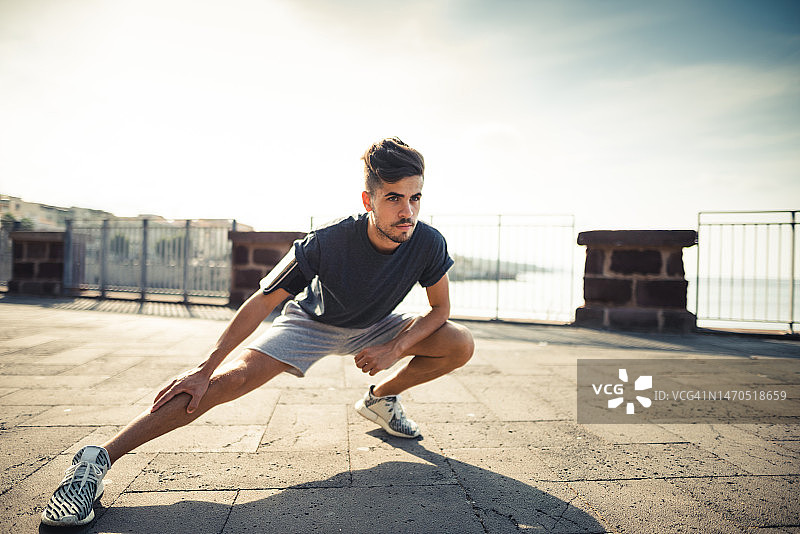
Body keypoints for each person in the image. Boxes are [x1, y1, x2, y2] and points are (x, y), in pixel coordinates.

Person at [40, 137, 474, 527]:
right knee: (228, 381)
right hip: (312, 323)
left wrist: (395, 347)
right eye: (394, 198)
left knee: (459, 343)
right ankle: (96, 461)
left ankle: (381, 399)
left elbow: (440, 309)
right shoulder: (324, 242)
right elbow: (262, 302)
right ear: (369, 199)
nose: (407, 211)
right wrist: (204, 369)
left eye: (415, 197)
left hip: (376, 325)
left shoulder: (428, 242)